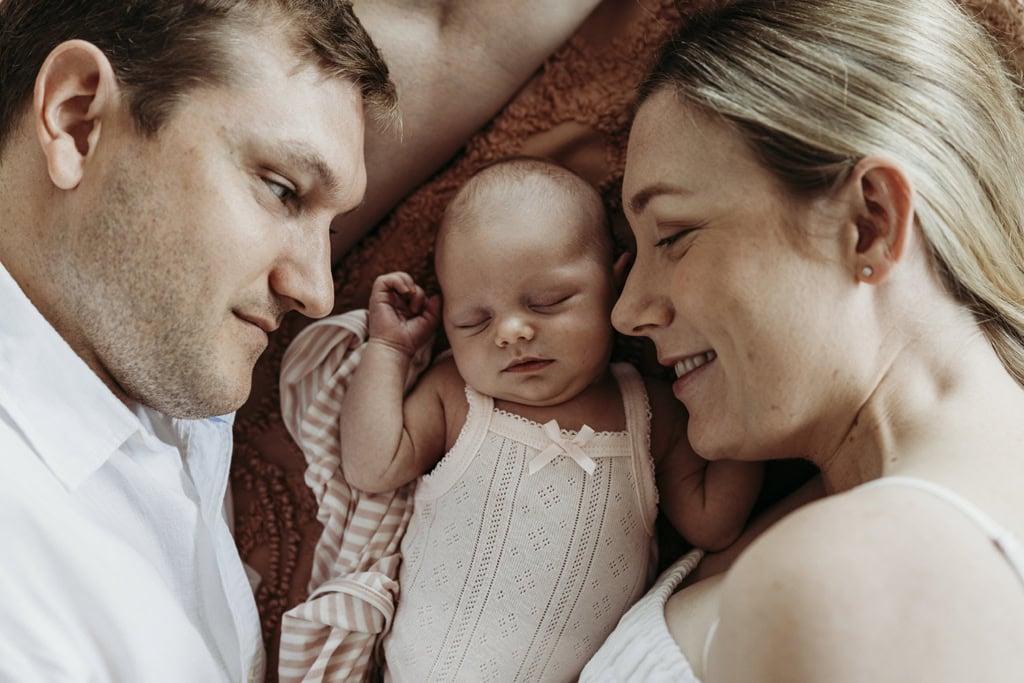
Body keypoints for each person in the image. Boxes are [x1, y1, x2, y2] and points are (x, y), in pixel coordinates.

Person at [582, 0, 1024, 680]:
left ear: (869, 222)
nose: (626, 311)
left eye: (672, 235)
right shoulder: (882, 509)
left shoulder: (847, 584)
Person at [0, 1, 396, 680]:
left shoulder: (136, 333)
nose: (318, 293)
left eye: (329, 227)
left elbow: (462, 39)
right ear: (77, 121)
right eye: (281, 190)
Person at [338, 157, 763, 681]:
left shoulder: (652, 414)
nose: (511, 332)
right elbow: (371, 465)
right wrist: (387, 348)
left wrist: (746, 390)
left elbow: (712, 523)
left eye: (547, 302)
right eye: (474, 321)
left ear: (617, 286)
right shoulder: (459, 396)